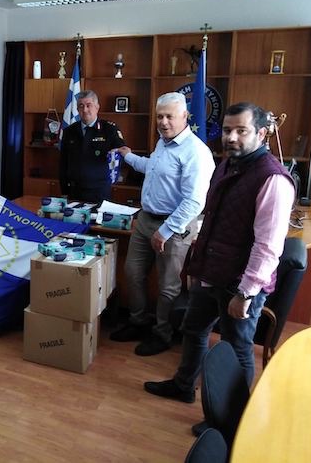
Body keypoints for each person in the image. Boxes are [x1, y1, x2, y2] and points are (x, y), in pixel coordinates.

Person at [144, 102, 294, 403]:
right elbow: (212, 220)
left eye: (241, 131)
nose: (232, 137)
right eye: (227, 130)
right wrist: (196, 268)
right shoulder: (227, 165)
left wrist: (246, 293)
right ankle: (184, 386)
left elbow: (267, 247)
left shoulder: (272, 179)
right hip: (210, 272)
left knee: (236, 347)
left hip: (239, 283)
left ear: (261, 134)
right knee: (193, 330)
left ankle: (232, 415)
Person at [110, 92, 215, 356]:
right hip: (146, 219)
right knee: (132, 273)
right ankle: (138, 321)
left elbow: (194, 202)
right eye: (159, 116)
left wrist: (165, 231)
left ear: (185, 117)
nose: (163, 122)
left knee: (168, 285)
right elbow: (155, 168)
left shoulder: (196, 152)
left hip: (174, 227)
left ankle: (162, 333)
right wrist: (129, 157)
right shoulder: (163, 142)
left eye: (169, 116)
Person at [59, 90, 126, 203]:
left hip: (99, 191)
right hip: (74, 190)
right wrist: (64, 191)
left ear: (97, 107)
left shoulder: (109, 129)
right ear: (77, 109)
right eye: (81, 106)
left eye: (88, 105)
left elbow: (122, 153)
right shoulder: (69, 131)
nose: (85, 110)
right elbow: (63, 163)